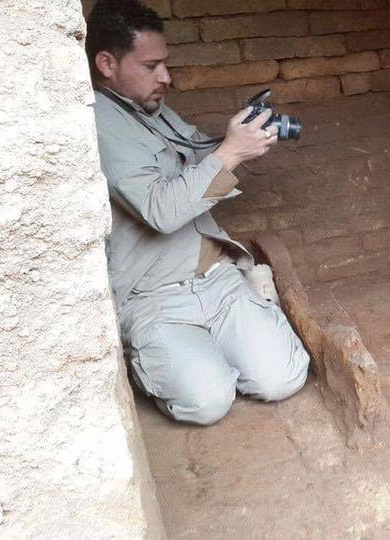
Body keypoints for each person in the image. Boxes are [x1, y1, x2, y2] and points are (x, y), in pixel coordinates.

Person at [85, 0, 310, 425]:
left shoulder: (149, 108)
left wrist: (239, 139)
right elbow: (162, 210)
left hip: (214, 276)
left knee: (283, 378)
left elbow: (196, 152)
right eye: (151, 65)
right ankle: (167, 360)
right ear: (107, 63)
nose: (165, 77)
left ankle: (218, 343)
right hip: (155, 297)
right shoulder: (97, 124)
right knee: (208, 403)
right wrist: (228, 154)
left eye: (164, 64)